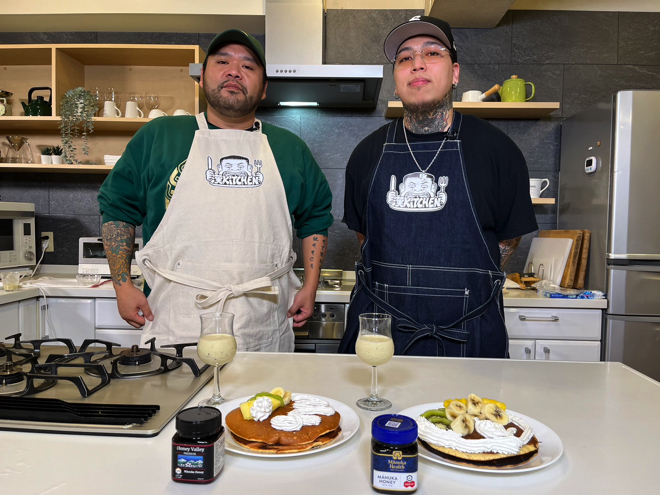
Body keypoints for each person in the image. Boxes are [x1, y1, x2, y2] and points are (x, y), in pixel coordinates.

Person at [98, 30, 333, 351]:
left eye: (248, 66)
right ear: (201, 77)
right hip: (178, 319)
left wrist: (310, 285)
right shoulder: (159, 136)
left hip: (262, 322)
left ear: (264, 88)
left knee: (262, 386)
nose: (234, 71)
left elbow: (315, 218)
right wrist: (122, 285)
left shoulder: (290, 149)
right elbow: (117, 210)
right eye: (222, 62)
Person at [338, 16, 538, 358]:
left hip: (470, 334)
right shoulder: (366, 154)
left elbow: (509, 238)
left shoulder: (497, 150)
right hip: (381, 337)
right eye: (405, 58)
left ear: (455, 73)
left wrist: (465, 288)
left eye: (432, 53)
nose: (417, 64)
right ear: (396, 81)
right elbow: (365, 237)